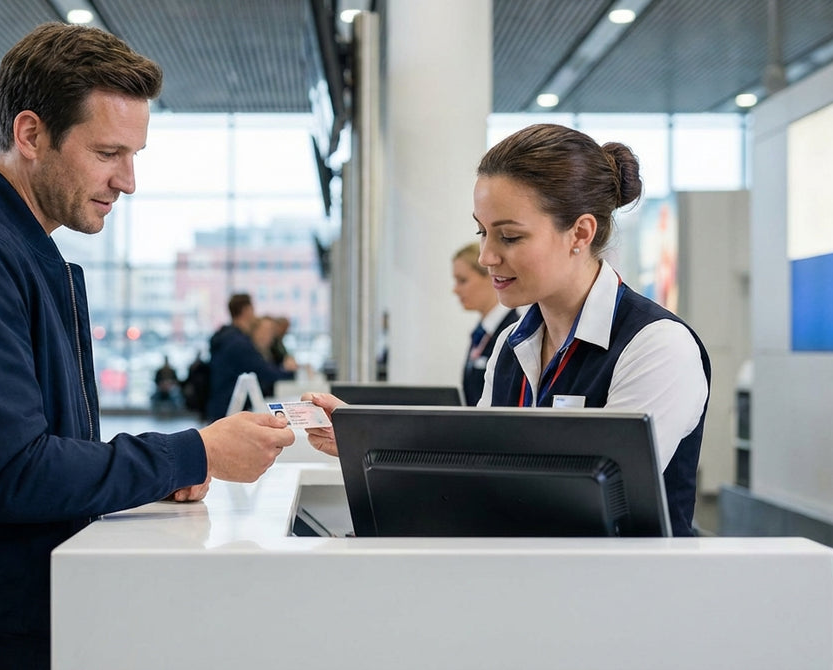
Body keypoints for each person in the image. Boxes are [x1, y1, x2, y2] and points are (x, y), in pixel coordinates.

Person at [0, 23, 294, 670]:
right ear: (30, 135)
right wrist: (194, 451)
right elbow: (12, 473)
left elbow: (50, 452)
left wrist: (159, 476)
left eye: (134, 155)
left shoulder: (23, 251)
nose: (129, 181)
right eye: (109, 152)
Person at [304, 123, 710, 537]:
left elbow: (591, 505)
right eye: (482, 232)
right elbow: (482, 464)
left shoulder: (656, 346)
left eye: (509, 237)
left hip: (628, 593)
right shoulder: (512, 344)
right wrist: (370, 445)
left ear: (580, 233)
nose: (486, 256)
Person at [206, 293, 296, 421]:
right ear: (246, 310)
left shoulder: (226, 337)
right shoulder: (239, 343)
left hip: (221, 403)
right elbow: (265, 372)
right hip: (230, 408)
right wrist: (289, 372)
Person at [452, 242, 519, 405]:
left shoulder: (514, 333)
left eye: (463, 281)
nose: (455, 290)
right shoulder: (481, 333)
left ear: (490, 276)